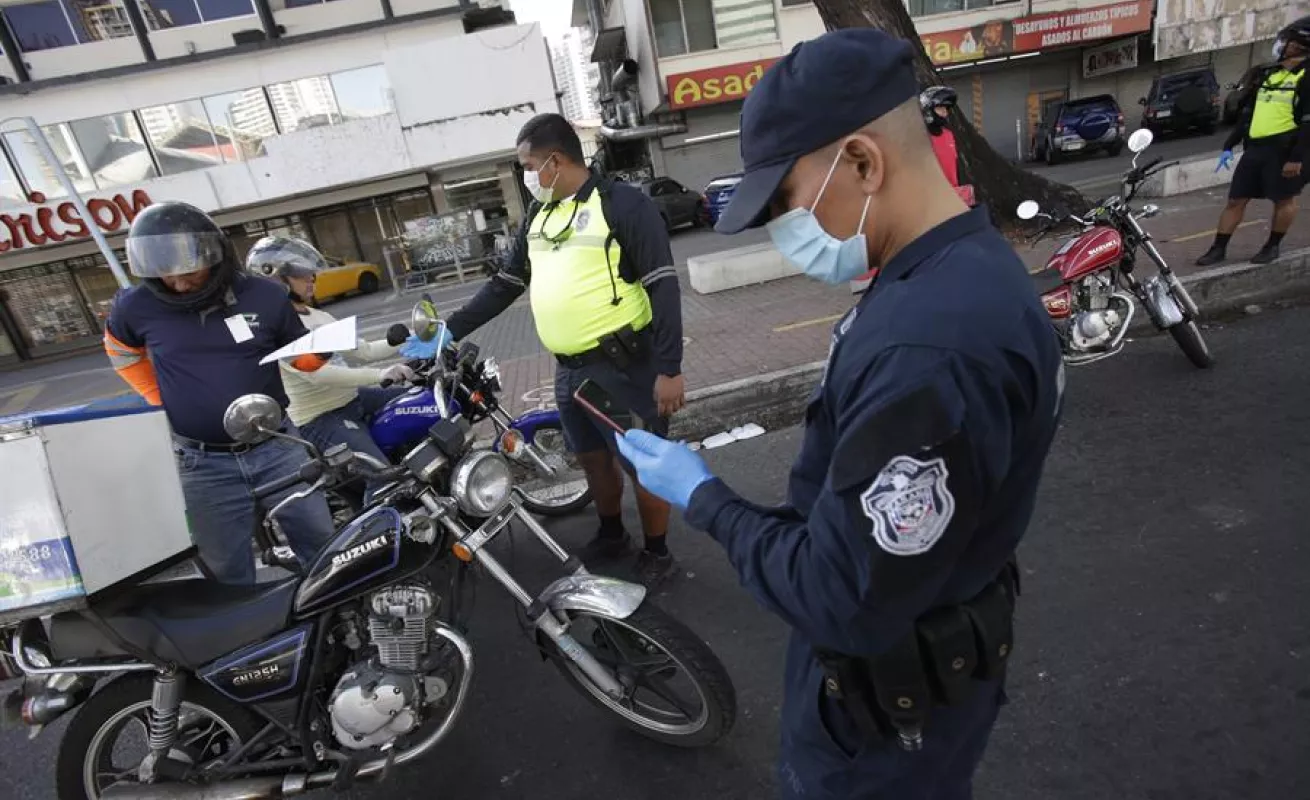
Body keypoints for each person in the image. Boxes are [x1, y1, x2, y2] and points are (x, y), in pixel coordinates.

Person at [614, 29, 1064, 799]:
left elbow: (839, 596)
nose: (788, 232)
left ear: (862, 160)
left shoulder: (927, 349)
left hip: (880, 727)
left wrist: (705, 498)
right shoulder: (960, 268)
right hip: (930, 669)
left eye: (787, 201)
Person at [445, 112, 686, 586]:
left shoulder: (622, 205)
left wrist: (670, 368)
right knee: (593, 458)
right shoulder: (540, 214)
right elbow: (506, 283)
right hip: (570, 369)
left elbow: (663, 285)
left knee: (642, 461)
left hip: (625, 365)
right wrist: (448, 330)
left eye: (528, 165)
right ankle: (613, 532)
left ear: (555, 161)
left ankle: (658, 553)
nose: (526, 175)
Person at [103, 202, 337, 584]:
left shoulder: (264, 296)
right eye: (165, 273)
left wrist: (319, 352)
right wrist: (156, 396)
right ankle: (253, 638)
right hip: (203, 464)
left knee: (322, 546)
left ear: (216, 256)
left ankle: (341, 627)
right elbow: (121, 353)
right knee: (224, 568)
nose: (177, 283)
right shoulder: (135, 307)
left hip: (278, 448)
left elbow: (300, 356)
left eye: (188, 272)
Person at [244, 235, 417, 501]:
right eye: (301, 273)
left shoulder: (320, 316)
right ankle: (384, 535)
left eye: (310, 272)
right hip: (320, 418)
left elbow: (364, 352)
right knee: (380, 475)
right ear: (274, 278)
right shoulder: (272, 327)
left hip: (354, 398)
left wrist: (407, 340)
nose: (311, 278)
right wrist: (380, 375)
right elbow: (318, 375)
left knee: (420, 404)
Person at [1197, 16, 1310, 267]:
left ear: (1300, 44)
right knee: (1236, 199)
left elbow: (1307, 123)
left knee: (1284, 200)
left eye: (1286, 40)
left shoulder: (1305, 77)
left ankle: (1272, 246)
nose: (1280, 45)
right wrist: (1229, 144)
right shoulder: (1269, 73)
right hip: (1255, 149)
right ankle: (1218, 248)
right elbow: (1249, 114)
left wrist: (1296, 158)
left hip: (1285, 151)